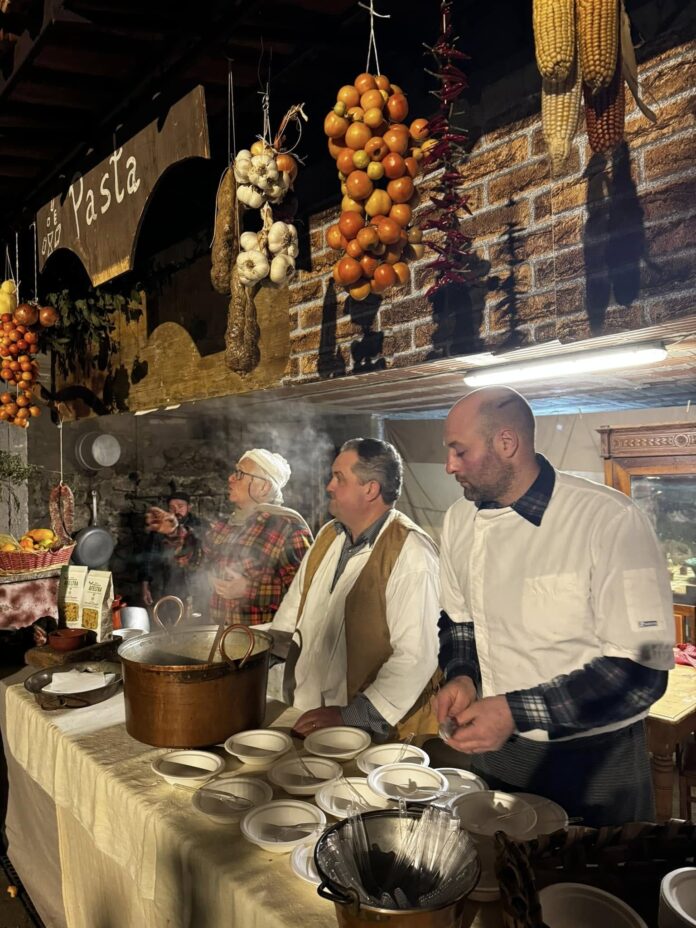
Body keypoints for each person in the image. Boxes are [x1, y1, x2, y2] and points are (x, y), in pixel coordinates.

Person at [433, 386, 675, 827]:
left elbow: (643, 673)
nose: (449, 465)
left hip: (595, 761)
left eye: (459, 451)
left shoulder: (610, 520)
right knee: (501, 882)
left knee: (593, 889)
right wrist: (462, 674)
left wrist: (513, 711)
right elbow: (459, 620)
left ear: (507, 443)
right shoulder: (458, 521)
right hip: (495, 752)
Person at [270, 437, 440, 740]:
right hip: (311, 715)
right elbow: (290, 617)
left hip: (372, 731)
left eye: (339, 478)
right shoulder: (328, 535)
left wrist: (351, 715)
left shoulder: (410, 551)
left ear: (370, 488)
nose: (329, 486)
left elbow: (416, 657)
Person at [146, 450, 312, 625]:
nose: (231, 478)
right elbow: (198, 560)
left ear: (263, 487)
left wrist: (250, 589)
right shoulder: (225, 525)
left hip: (262, 643)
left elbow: (306, 594)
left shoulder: (288, 529)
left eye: (240, 474)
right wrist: (174, 531)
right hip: (220, 636)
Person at [139, 491, 206, 608]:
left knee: (196, 622)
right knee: (169, 620)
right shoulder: (159, 528)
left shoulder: (199, 525)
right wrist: (145, 586)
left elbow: (201, 541)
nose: (176, 511)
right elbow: (149, 557)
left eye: (180, 506)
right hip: (167, 583)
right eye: (172, 507)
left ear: (189, 507)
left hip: (195, 584)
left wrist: (176, 531)